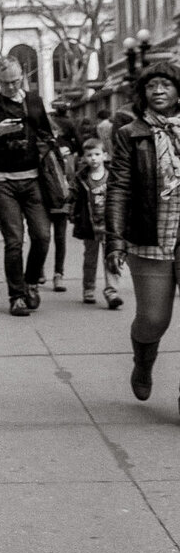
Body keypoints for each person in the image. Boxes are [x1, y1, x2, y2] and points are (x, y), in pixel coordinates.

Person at [106, 61, 180, 409]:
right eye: (152, 86)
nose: (159, 91)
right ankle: (143, 362)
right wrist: (115, 240)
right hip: (150, 236)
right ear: (143, 94)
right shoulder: (130, 134)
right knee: (153, 319)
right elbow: (119, 187)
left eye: (166, 84)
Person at [0, 57, 55, 317]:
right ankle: (17, 295)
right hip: (3, 181)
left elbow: (46, 134)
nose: (11, 86)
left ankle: (31, 282)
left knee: (42, 236)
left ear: (22, 76)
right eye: (6, 82)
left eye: (15, 81)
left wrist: (49, 146)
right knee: (14, 241)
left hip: (32, 178)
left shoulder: (34, 101)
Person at [71, 134, 123, 309]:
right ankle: (89, 288)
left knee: (112, 257)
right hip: (90, 226)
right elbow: (73, 197)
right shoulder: (81, 178)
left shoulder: (113, 176)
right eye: (89, 155)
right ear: (84, 158)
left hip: (110, 226)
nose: (93, 158)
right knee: (90, 259)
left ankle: (112, 292)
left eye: (97, 154)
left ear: (105, 155)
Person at [47, 135, 76, 293]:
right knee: (42, 238)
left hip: (61, 203)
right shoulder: (43, 155)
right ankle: (38, 271)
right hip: (44, 201)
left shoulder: (67, 160)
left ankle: (58, 274)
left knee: (60, 238)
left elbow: (72, 179)